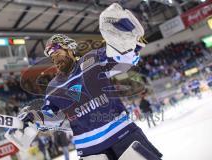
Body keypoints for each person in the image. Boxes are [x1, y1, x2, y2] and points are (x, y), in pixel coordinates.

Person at [9, 3, 162, 160]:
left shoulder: (91, 59)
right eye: (52, 56)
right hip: (90, 149)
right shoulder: (53, 87)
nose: (55, 58)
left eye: (57, 52)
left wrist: (128, 45)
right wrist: (34, 118)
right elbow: (53, 116)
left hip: (122, 134)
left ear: (70, 49)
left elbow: (120, 59)